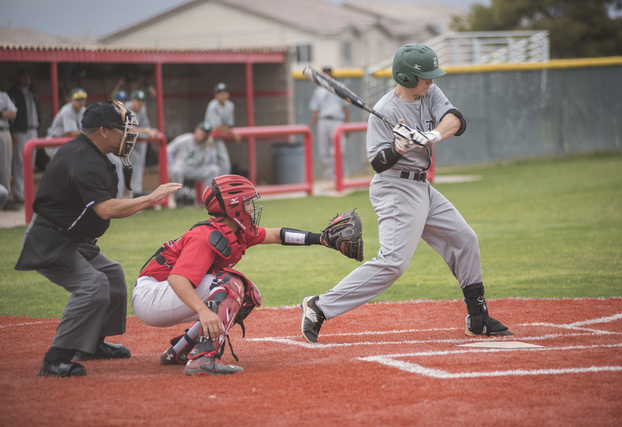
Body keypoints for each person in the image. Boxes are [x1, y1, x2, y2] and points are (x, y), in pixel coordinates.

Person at [300, 44, 513, 344]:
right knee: (392, 263)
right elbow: (377, 162)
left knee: (464, 239)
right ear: (407, 77)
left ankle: (477, 318)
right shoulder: (384, 112)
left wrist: (430, 135)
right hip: (394, 188)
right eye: (425, 76)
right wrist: (398, 148)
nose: (431, 81)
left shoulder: (431, 93)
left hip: (422, 187)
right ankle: (319, 307)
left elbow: (455, 120)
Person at [15, 101, 182, 377]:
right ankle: (56, 357)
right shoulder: (83, 160)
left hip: (73, 239)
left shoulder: (91, 153)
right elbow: (105, 208)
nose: (129, 135)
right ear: (104, 131)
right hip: (51, 240)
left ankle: (91, 345)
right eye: (122, 129)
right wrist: (151, 198)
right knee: (93, 285)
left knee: (113, 276)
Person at [132, 174, 351, 375]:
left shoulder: (234, 230)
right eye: (247, 203)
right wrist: (203, 311)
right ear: (232, 207)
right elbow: (176, 279)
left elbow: (277, 235)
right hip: (152, 294)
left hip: (163, 292)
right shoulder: (204, 236)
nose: (252, 207)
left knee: (247, 294)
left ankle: (182, 349)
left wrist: (320, 239)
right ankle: (202, 358)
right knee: (231, 285)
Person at [167, 121, 231, 205]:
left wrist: (211, 147)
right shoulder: (184, 139)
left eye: (205, 133)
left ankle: (205, 199)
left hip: (195, 170)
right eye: (202, 131)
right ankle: (179, 200)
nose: (203, 134)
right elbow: (167, 150)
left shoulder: (206, 144)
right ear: (196, 130)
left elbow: (212, 162)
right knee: (176, 171)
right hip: (182, 168)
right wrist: (172, 163)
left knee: (214, 169)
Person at [309, 66, 350, 184]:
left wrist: (347, 126)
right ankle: (329, 178)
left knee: (339, 150)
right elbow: (315, 111)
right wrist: (311, 128)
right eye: (325, 74)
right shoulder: (318, 90)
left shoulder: (340, 87)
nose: (327, 76)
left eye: (329, 73)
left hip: (337, 121)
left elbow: (346, 108)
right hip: (323, 120)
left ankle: (343, 175)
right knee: (324, 151)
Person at [7, 69, 40, 204]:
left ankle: (28, 192)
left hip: (33, 129)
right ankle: (19, 192)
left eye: (28, 76)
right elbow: (11, 115)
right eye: (24, 77)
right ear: (19, 78)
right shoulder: (13, 92)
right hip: (21, 131)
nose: (26, 79)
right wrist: (12, 130)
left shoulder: (32, 92)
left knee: (31, 162)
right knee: (20, 161)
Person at [45, 88, 87, 160]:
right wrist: (87, 133)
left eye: (83, 100)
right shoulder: (67, 111)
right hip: (54, 143)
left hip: (65, 143)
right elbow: (71, 133)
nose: (81, 102)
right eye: (78, 100)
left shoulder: (83, 110)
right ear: (71, 100)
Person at [0, 91, 18, 210]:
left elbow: (13, 114)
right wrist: (3, 113)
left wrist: (2, 114)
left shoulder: (3, 95)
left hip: (3, 131)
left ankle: (6, 199)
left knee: (6, 167)